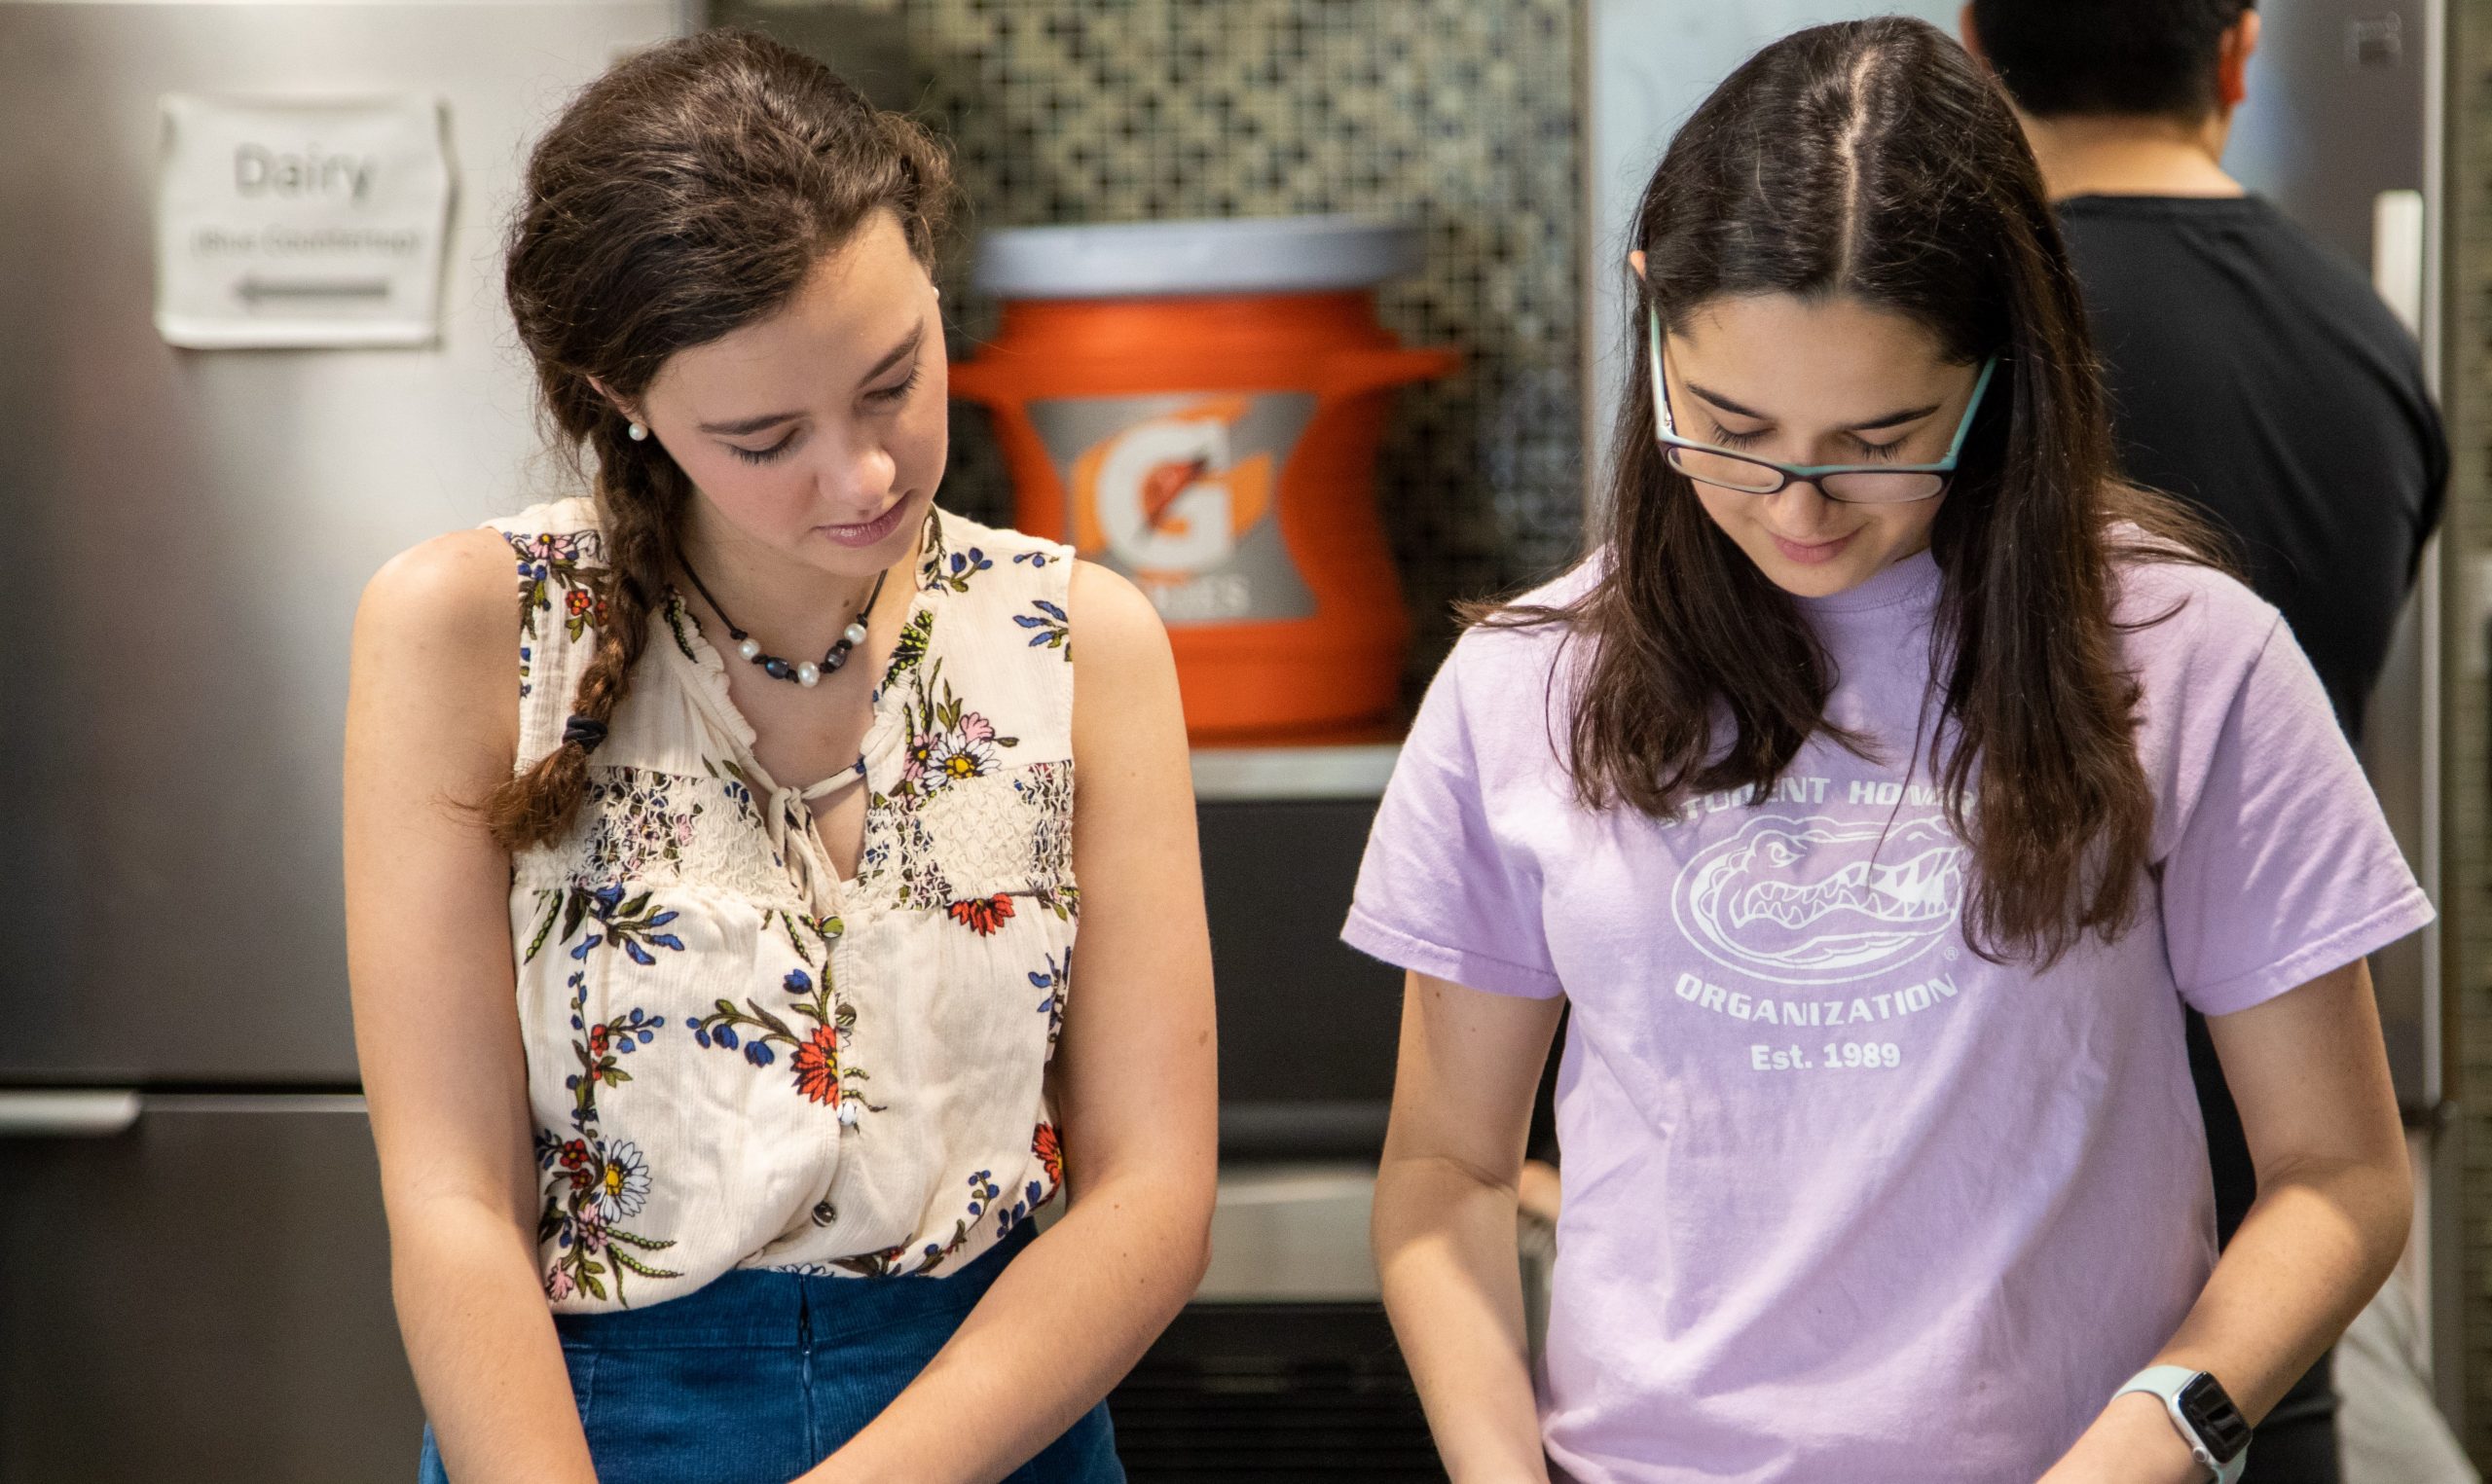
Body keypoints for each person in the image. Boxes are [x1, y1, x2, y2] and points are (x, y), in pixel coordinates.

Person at [1348, 18, 2426, 1484]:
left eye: (1881, 435)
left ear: (2003, 369)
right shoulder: (1524, 684)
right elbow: (1446, 1173)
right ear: (1649, 308)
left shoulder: (2189, 655)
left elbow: (2341, 1175)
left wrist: (2159, 1434)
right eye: (1728, 422)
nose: (1798, 505)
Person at [343, 31, 1216, 1484]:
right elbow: (450, 1203)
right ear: (619, 396)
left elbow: (1155, 1194)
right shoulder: (466, 631)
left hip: (992, 1425)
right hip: (585, 1431)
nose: (864, 474)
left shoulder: (1083, 642)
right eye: (765, 435)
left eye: (894, 379)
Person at [1959, 6, 2453, 1479]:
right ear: (2239, 53)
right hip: (2266, 1292)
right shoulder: (2365, 337)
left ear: (1980, 51)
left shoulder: (1962, 358)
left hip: (2001, 1267)